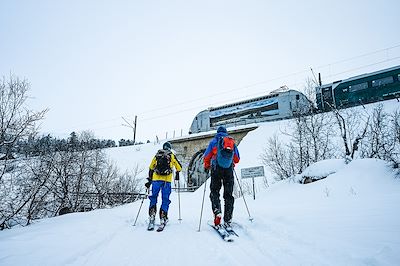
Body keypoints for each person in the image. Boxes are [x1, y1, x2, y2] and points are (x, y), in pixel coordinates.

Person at [203, 126, 240, 227]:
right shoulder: (231, 142)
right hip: (228, 170)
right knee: (228, 195)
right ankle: (228, 218)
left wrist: (206, 166)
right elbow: (237, 159)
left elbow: (206, 156)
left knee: (214, 192)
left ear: (217, 132)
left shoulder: (213, 142)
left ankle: (217, 212)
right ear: (226, 133)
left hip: (216, 169)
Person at [145, 141, 182, 227]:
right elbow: (179, 167)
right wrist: (177, 173)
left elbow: (151, 167)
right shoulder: (171, 155)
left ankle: (152, 215)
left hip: (155, 180)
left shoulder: (157, 155)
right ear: (169, 148)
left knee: (153, 197)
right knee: (165, 199)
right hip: (166, 181)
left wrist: (149, 180)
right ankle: (163, 217)